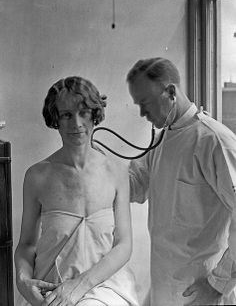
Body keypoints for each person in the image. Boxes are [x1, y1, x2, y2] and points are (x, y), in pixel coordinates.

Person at [15, 76, 139, 306]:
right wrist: (23, 282)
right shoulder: (37, 176)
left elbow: (124, 244)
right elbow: (26, 245)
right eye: (66, 115)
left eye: (83, 112)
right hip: (50, 286)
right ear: (56, 120)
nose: (77, 124)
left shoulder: (116, 172)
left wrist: (78, 286)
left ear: (95, 115)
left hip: (103, 286)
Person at [127, 57, 236, 306]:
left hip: (202, 291)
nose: (142, 113)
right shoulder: (163, 139)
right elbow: (135, 184)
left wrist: (218, 284)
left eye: (145, 103)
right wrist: (93, 166)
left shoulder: (213, 140)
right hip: (164, 286)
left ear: (171, 92)